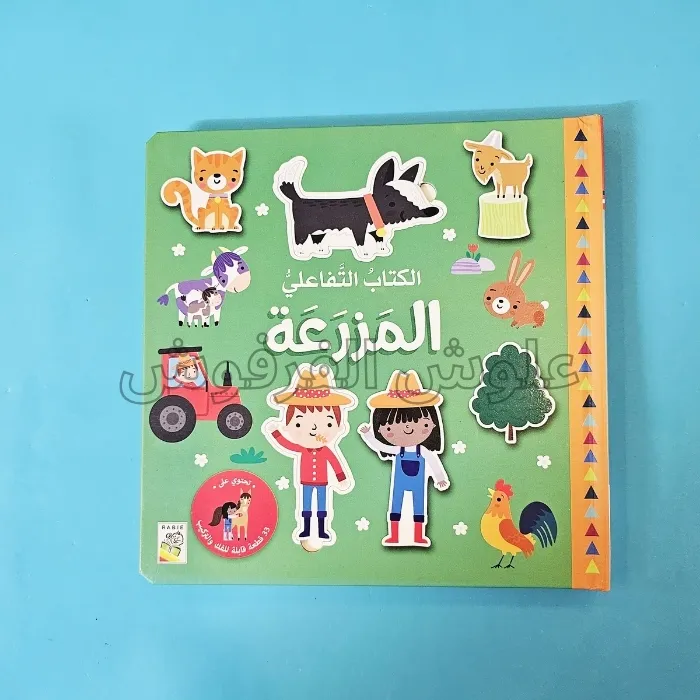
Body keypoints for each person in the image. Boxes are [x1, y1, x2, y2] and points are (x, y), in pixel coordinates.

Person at [264, 364, 357, 546]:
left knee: (322, 506)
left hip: (323, 482)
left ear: (339, 425)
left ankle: (322, 529)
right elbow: (287, 444)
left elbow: (335, 463)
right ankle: (306, 528)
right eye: (299, 424)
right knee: (306, 506)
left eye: (328, 423)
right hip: (305, 481)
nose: (314, 429)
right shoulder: (301, 449)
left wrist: (341, 478)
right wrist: (275, 432)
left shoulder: (326, 450)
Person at [359, 369, 450, 548]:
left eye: (420, 423)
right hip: (400, 483)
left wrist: (439, 478)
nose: (408, 428)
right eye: (391, 427)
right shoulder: (397, 450)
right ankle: (394, 534)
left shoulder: (423, 451)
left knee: (419, 506)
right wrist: (368, 435)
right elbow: (380, 446)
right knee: (396, 505)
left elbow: (434, 462)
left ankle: (419, 535)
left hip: (418, 484)